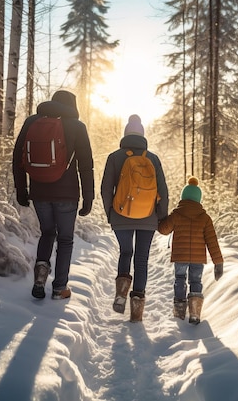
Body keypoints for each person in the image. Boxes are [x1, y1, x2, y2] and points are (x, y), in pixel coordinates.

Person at [12, 90, 94, 300]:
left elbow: (17, 157)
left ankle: (40, 278)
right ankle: (59, 288)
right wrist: (88, 197)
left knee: (47, 233)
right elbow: (86, 165)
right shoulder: (77, 126)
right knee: (65, 239)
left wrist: (22, 190)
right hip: (68, 195)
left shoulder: (32, 122)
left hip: (39, 192)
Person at [101, 114, 169, 322]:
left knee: (126, 252)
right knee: (141, 259)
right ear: (143, 135)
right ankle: (137, 311)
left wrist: (110, 213)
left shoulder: (115, 157)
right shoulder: (153, 158)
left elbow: (105, 189)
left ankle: (121, 294)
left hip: (120, 215)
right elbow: (163, 192)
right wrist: (162, 217)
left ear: (125, 134)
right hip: (148, 218)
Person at [158, 176, 224, 324]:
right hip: (197, 258)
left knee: (180, 279)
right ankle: (194, 313)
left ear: (183, 197)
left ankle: (180, 311)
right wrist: (218, 262)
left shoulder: (176, 214)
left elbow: (163, 230)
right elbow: (212, 242)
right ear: (198, 199)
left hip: (180, 256)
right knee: (196, 280)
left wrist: (159, 217)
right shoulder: (205, 218)